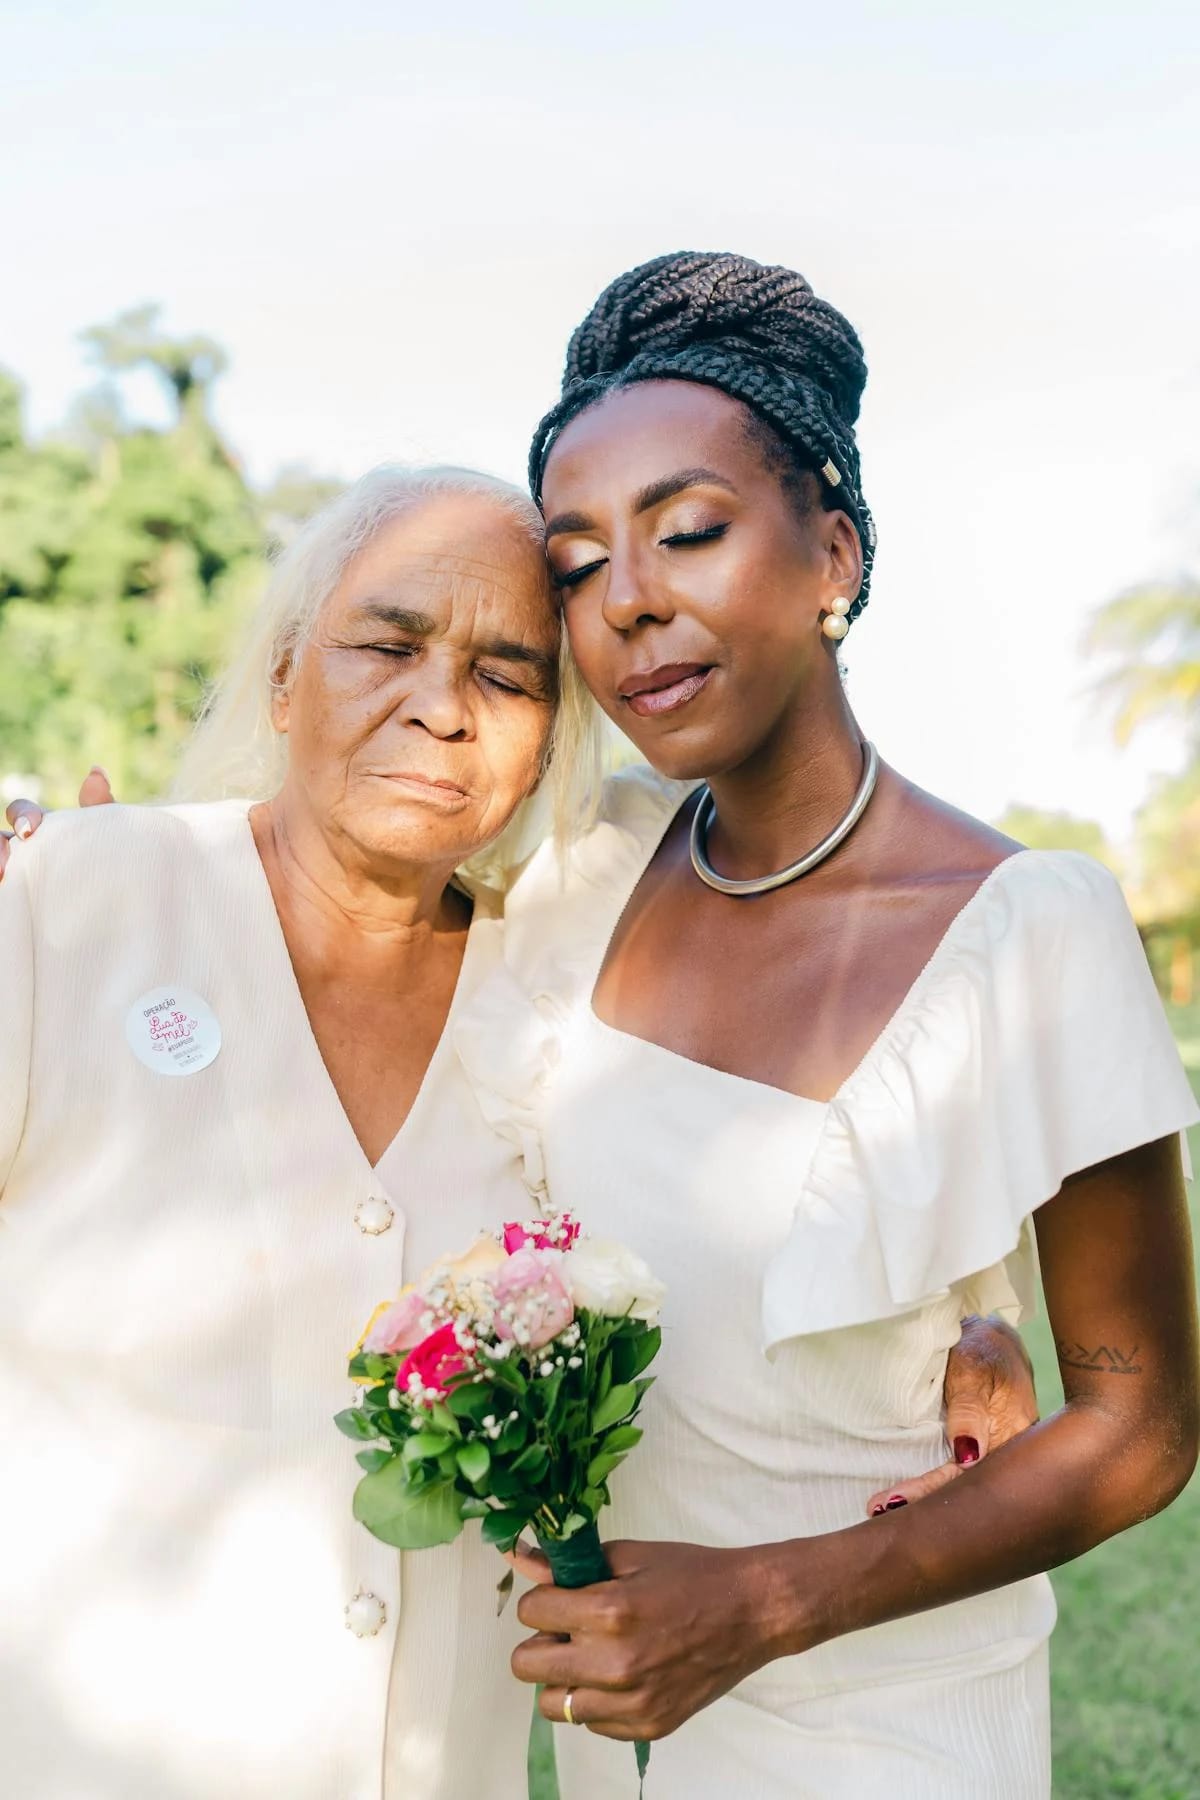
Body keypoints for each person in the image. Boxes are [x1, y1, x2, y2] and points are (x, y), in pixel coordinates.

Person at [0, 459, 1033, 1799]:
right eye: (389, 644)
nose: (440, 708)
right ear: (281, 676)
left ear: (552, 737)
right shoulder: (75, 902)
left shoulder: (560, 988)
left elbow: (790, 1096)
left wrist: (976, 1311)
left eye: (507, 674)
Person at [444, 252, 1200, 1797]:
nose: (633, 600)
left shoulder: (1025, 928)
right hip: (627, 1728)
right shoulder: (587, 870)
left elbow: (1143, 1423)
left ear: (834, 553)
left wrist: (766, 1604)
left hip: (885, 1723)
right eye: (581, 566)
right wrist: (89, 878)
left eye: (692, 532)